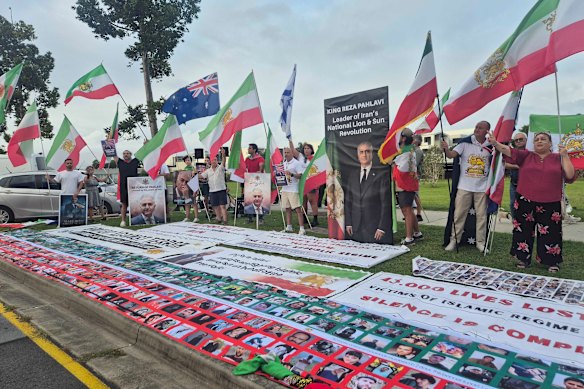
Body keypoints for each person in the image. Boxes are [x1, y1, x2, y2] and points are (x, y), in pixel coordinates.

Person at [489, 131, 575, 273]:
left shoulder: (558, 157)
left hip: (550, 202)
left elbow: (570, 175)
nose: (539, 141)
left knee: (551, 233)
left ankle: (551, 261)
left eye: (543, 139)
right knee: (523, 231)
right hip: (525, 200)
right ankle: (523, 259)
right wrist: (495, 143)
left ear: (550, 144)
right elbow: (508, 151)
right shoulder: (526, 155)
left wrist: (565, 156)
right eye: (537, 140)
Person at [441, 121, 492, 253]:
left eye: (480, 128)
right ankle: (454, 241)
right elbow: (452, 155)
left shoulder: (491, 146)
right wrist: (446, 149)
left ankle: (480, 243)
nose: (477, 129)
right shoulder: (465, 143)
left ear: (487, 131)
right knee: (459, 215)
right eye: (476, 127)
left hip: (482, 188)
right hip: (464, 186)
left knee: (481, 216)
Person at [344, 141, 391, 244]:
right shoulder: (352, 176)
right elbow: (348, 201)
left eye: (367, 151)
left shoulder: (381, 175)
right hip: (355, 228)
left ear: (372, 154)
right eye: (361, 152)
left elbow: (385, 204)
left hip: (374, 229)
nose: (364, 155)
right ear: (358, 155)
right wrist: (348, 223)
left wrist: (381, 227)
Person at [393, 128, 423, 245]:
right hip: (407, 184)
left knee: (407, 210)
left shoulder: (405, 152)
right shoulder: (408, 150)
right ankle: (417, 233)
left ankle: (409, 238)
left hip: (405, 184)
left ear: (403, 138)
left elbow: (402, 169)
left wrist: (393, 164)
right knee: (408, 209)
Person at [290, 139, 320, 226]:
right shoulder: (301, 157)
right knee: (303, 201)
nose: (306, 150)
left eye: (308, 148)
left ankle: (315, 219)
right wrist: (290, 139)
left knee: (312, 200)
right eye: (305, 148)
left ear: (311, 150)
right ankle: (304, 218)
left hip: (311, 182)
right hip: (301, 182)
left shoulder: (315, 159)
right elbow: (293, 150)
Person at [281, 147, 306, 234]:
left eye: (288, 152)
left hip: (293, 189)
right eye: (285, 152)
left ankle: (302, 228)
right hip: (285, 188)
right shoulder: (284, 163)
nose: (286, 154)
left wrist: (291, 174)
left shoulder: (296, 163)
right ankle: (289, 226)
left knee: (298, 209)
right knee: (287, 208)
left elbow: (300, 175)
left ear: (292, 153)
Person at [200, 150, 228, 224]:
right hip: (212, 191)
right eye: (212, 160)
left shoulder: (221, 168)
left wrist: (223, 154)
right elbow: (201, 176)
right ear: (210, 162)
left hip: (221, 190)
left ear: (217, 160)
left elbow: (224, 161)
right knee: (215, 206)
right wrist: (194, 173)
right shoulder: (208, 171)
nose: (214, 161)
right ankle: (218, 218)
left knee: (222, 206)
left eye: (215, 160)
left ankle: (225, 220)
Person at [114, 150, 140, 227]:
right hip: (123, 186)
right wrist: (109, 143)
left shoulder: (135, 161)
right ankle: (123, 221)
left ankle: (136, 220)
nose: (126, 155)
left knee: (136, 203)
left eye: (127, 153)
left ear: (131, 154)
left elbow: (143, 153)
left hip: (134, 186)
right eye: (124, 153)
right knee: (124, 204)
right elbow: (113, 153)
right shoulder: (120, 162)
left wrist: (146, 145)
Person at [505, 131, 527, 219]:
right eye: (516, 140)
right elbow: (504, 164)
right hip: (514, 184)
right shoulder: (511, 152)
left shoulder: (531, 152)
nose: (518, 141)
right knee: (512, 204)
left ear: (526, 140)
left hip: (529, 185)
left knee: (527, 205)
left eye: (521, 139)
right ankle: (515, 223)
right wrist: (517, 166)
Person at [176, 155, 199, 222]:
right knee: (187, 202)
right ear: (184, 162)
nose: (187, 161)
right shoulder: (185, 169)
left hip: (192, 187)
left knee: (194, 202)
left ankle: (196, 217)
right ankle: (187, 217)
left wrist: (195, 190)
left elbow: (195, 179)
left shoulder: (193, 169)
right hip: (186, 189)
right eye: (186, 160)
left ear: (191, 161)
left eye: (189, 160)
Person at [413, 134, 425, 222]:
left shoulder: (418, 151)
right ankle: (411, 214)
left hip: (415, 175)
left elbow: (414, 164)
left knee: (416, 195)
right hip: (412, 175)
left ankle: (419, 214)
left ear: (416, 141)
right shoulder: (413, 151)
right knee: (412, 195)